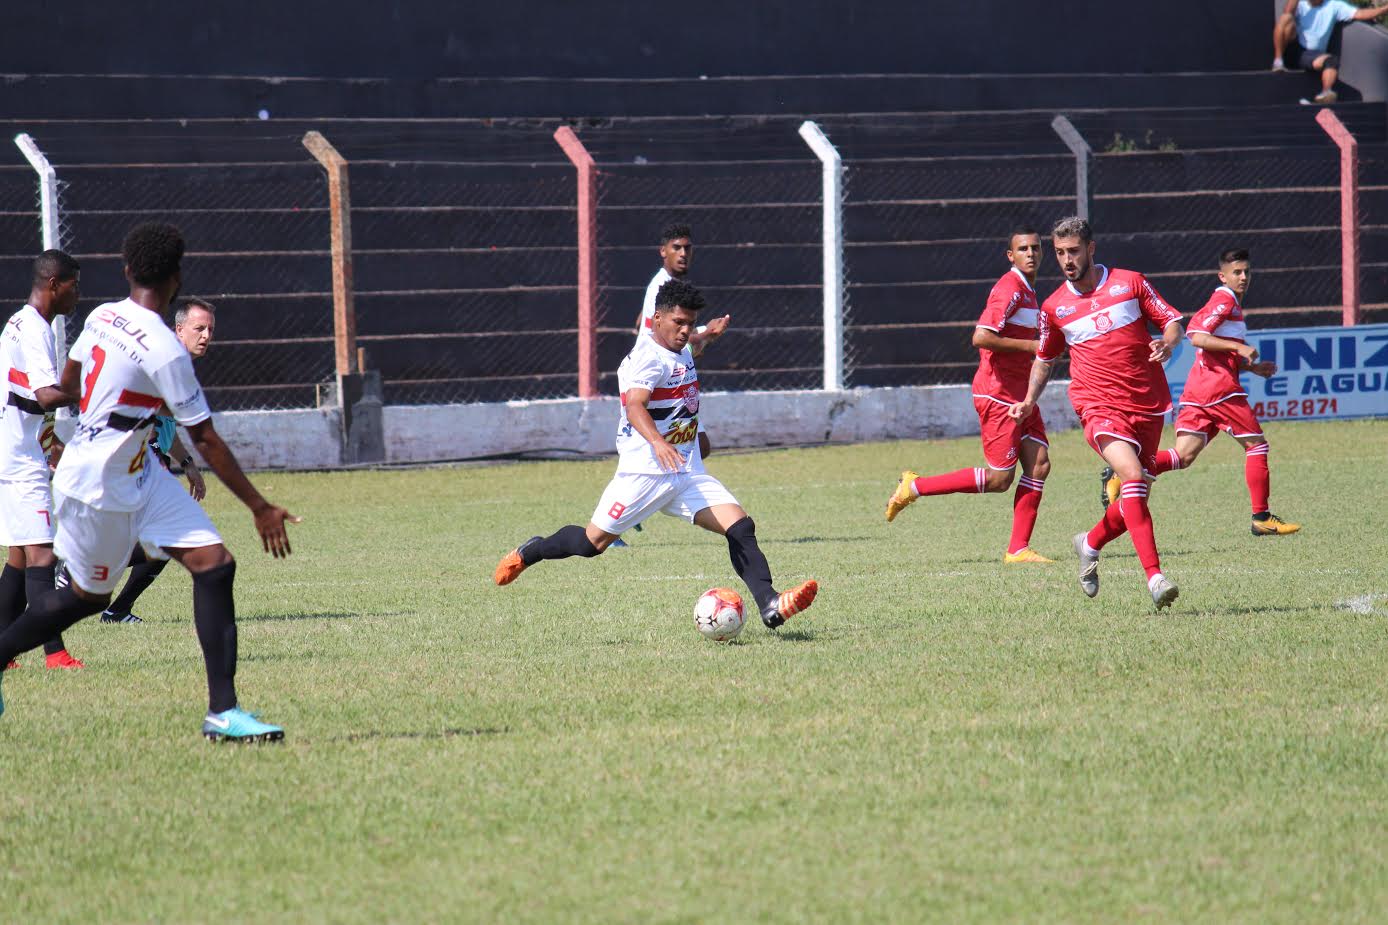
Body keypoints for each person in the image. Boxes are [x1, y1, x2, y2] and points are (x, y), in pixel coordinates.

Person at [0, 223, 299, 742]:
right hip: (101, 484)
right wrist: (259, 506)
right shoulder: (165, 349)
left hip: (138, 470)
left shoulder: (101, 316)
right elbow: (203, 436)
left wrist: (122, 401)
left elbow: (69, 386)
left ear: (128, 270)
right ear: (176, 279)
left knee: (214, 564)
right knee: (85, 600)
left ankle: (223, 713)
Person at [496, 278, 818, 629]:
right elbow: (635, 406)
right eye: (678, 322)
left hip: (685, 472)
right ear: (656, 318)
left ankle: (770, 603)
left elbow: (687, 362)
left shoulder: (679, 347)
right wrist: (659, 442)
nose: (685, 330)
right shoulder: (647, 359)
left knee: (740, 526)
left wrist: (706, 339)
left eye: (690, 323)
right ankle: (532, 551)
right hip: (644, 473)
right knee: (592, 544)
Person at [1007, 217, 1185, 609]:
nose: (1066, 260)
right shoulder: (1055, 307)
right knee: (1132, 477)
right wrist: (1029, 399)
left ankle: (1088, 543)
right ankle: (1155, 578)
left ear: (1091, 248)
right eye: (1059, 253)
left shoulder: (1131, 283)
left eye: (1073, 251)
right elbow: (1044, 358)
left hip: (1148, 403)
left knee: (1133, 501)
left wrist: (1168, 343)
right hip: (1097, 405)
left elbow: (1172, 321)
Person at [885, 227, 1053, 563]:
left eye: (1035, 247)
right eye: (1023, 249)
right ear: (1011, 256)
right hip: (999, 394)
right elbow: (981, 336)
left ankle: (1018, 549)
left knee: (1039, 465)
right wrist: (1033, 345)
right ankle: (914, 487)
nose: (1031, 253)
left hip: (1022, 394)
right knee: (999, 479)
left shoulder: (1029, 291)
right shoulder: (1010, 289)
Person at [1105, 250, 1300, 537]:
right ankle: (1262, 517)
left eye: (1247, 271)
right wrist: (1238, 348)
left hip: (1201, 388)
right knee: (1257, 446)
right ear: (1223, 276)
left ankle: (1122, 474)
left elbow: (1213, 352)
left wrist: (1251, 369)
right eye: (1237, 272)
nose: (1243, 277)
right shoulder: (1224, 298)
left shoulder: (1231, 302)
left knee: (1182, 456)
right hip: (1218, 390)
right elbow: (1195, 333)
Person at [96, 297, 215, 624]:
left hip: (148, 461)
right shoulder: (164, 362)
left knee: (165, 542)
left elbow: (166, 427)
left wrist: (187, 462)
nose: (205, 336)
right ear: (179, 329)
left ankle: (115, 609)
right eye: (199, 328)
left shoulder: (180, 366)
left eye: (209, 330)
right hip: (135, 461)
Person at [0, 250, 85, 670]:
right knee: (42, 557)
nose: (77, 294)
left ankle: (5, 650)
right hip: (18, 461)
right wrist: (92, 392)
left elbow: (26, 397)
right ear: (54, 283)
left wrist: (50, 442)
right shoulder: (34, 330)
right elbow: (45, 394)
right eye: (74, 285)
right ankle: (55, 654)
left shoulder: (19, 322)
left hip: (14, 449)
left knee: (18, 558)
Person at [1273, 0, 1388, 105]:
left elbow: (1360, 14)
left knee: (1331, 61)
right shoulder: (1300, 4)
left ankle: (1325, 93)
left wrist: (1383, 10)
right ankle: (1278, 61)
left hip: (1311, 55)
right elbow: (1287, 11)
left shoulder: (1334, 5)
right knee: (1286, 18)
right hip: (1294, 49)